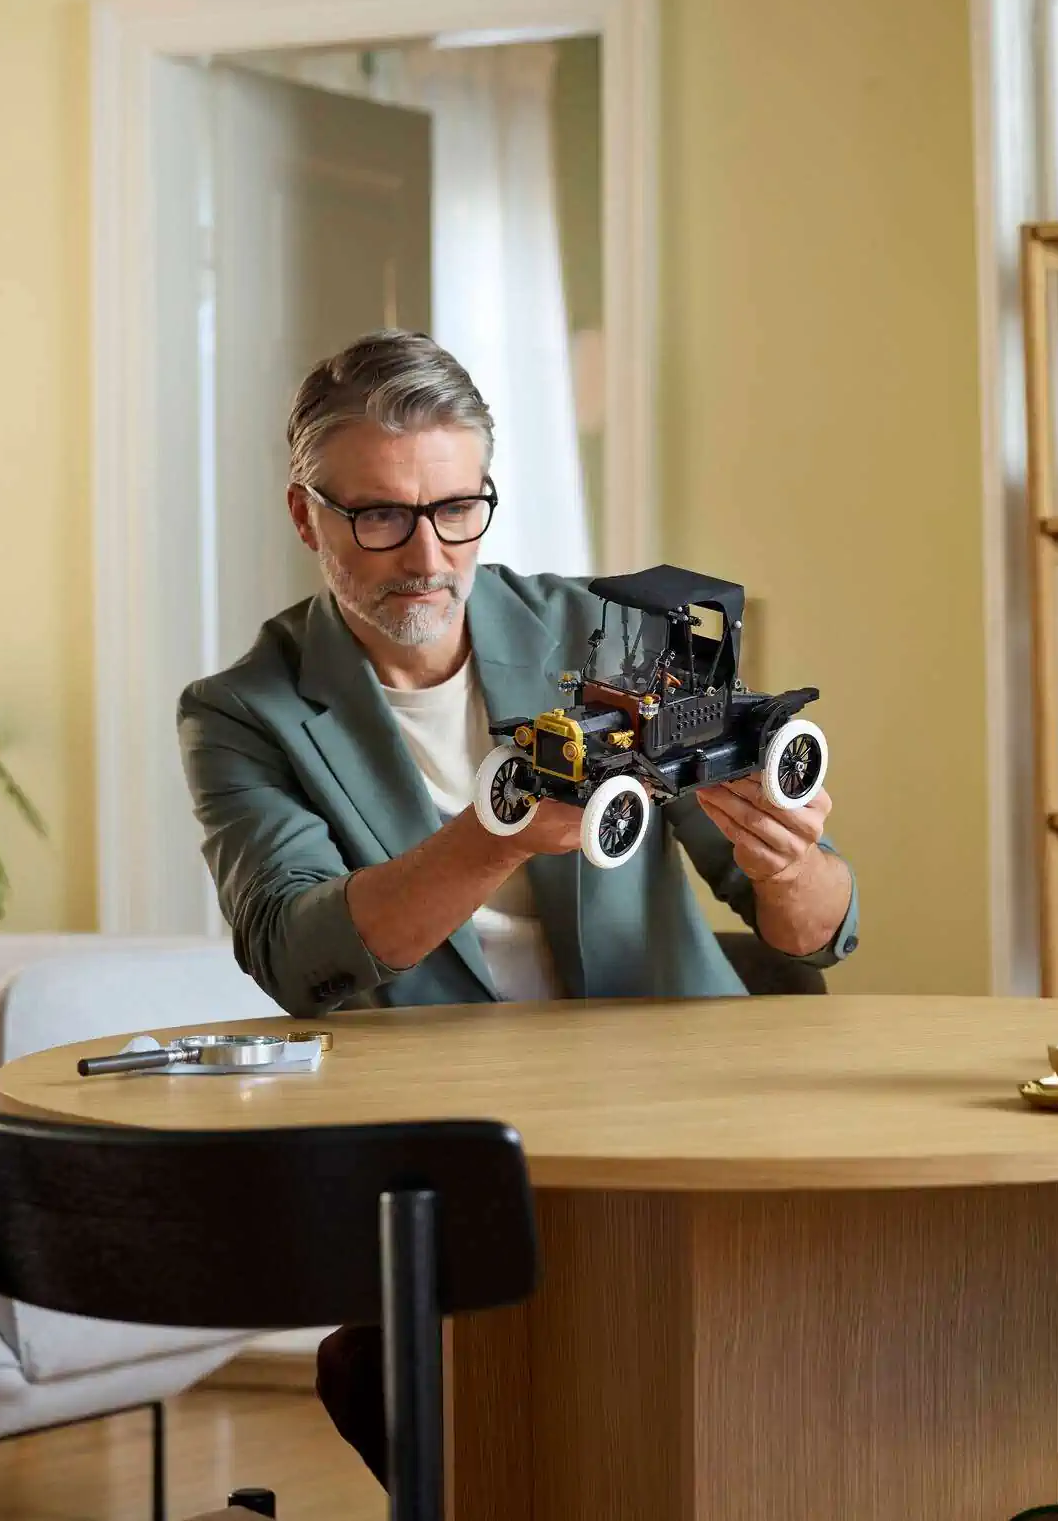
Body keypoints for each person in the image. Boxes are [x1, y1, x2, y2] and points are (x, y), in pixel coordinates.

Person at [175, 329, 859, 1482]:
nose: (427, 555)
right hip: (454, 1162)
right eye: (380, 516)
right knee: (418, 1379)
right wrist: (492, 836)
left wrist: (791, 860)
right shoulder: (244, 712)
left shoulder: (605, 635)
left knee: (697, 1381)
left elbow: (809, 930)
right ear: (306, 515)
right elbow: (299, 953)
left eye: (457, 508)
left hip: (678, 1131)